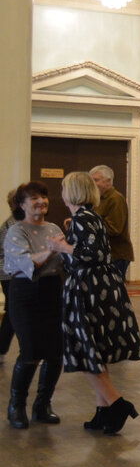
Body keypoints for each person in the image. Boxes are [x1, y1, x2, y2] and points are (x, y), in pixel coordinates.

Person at [46, 172, 140, 434]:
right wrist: (67, 247)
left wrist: (62, 247)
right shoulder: (89, 218)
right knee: (95, 352)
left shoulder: (82, 219)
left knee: (86, 351)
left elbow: (92, 255)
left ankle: (116, 404)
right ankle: (103, 411)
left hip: (88, 291)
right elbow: (83, 258)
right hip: (97, 287)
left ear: (72, 192)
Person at [3, 181, 65, 428]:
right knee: (30, 351)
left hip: (51, 291)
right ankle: (16, 406)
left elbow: (65, 258)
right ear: (21, 205)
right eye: (34, 198)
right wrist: (53, 249)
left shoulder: (53, 227)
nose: (41, 201)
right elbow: (29, 263)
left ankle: (43, 405)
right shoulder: (16, 231)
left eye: (44, 197)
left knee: (55, 352)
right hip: (25, 293)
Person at [89, 165, 133, 280]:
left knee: (115, 290)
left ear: (108, 181)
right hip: (107, 254)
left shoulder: (115, 199)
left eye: (96, 180)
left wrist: (90, 224)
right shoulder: (99, 199)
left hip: (117, 254)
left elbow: (115, 229)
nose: (92, 184)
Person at [0, 190, 17, 360]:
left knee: (13, 312)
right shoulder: (12, 227)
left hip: (9, 273)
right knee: (13, 312)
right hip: (9, 274)